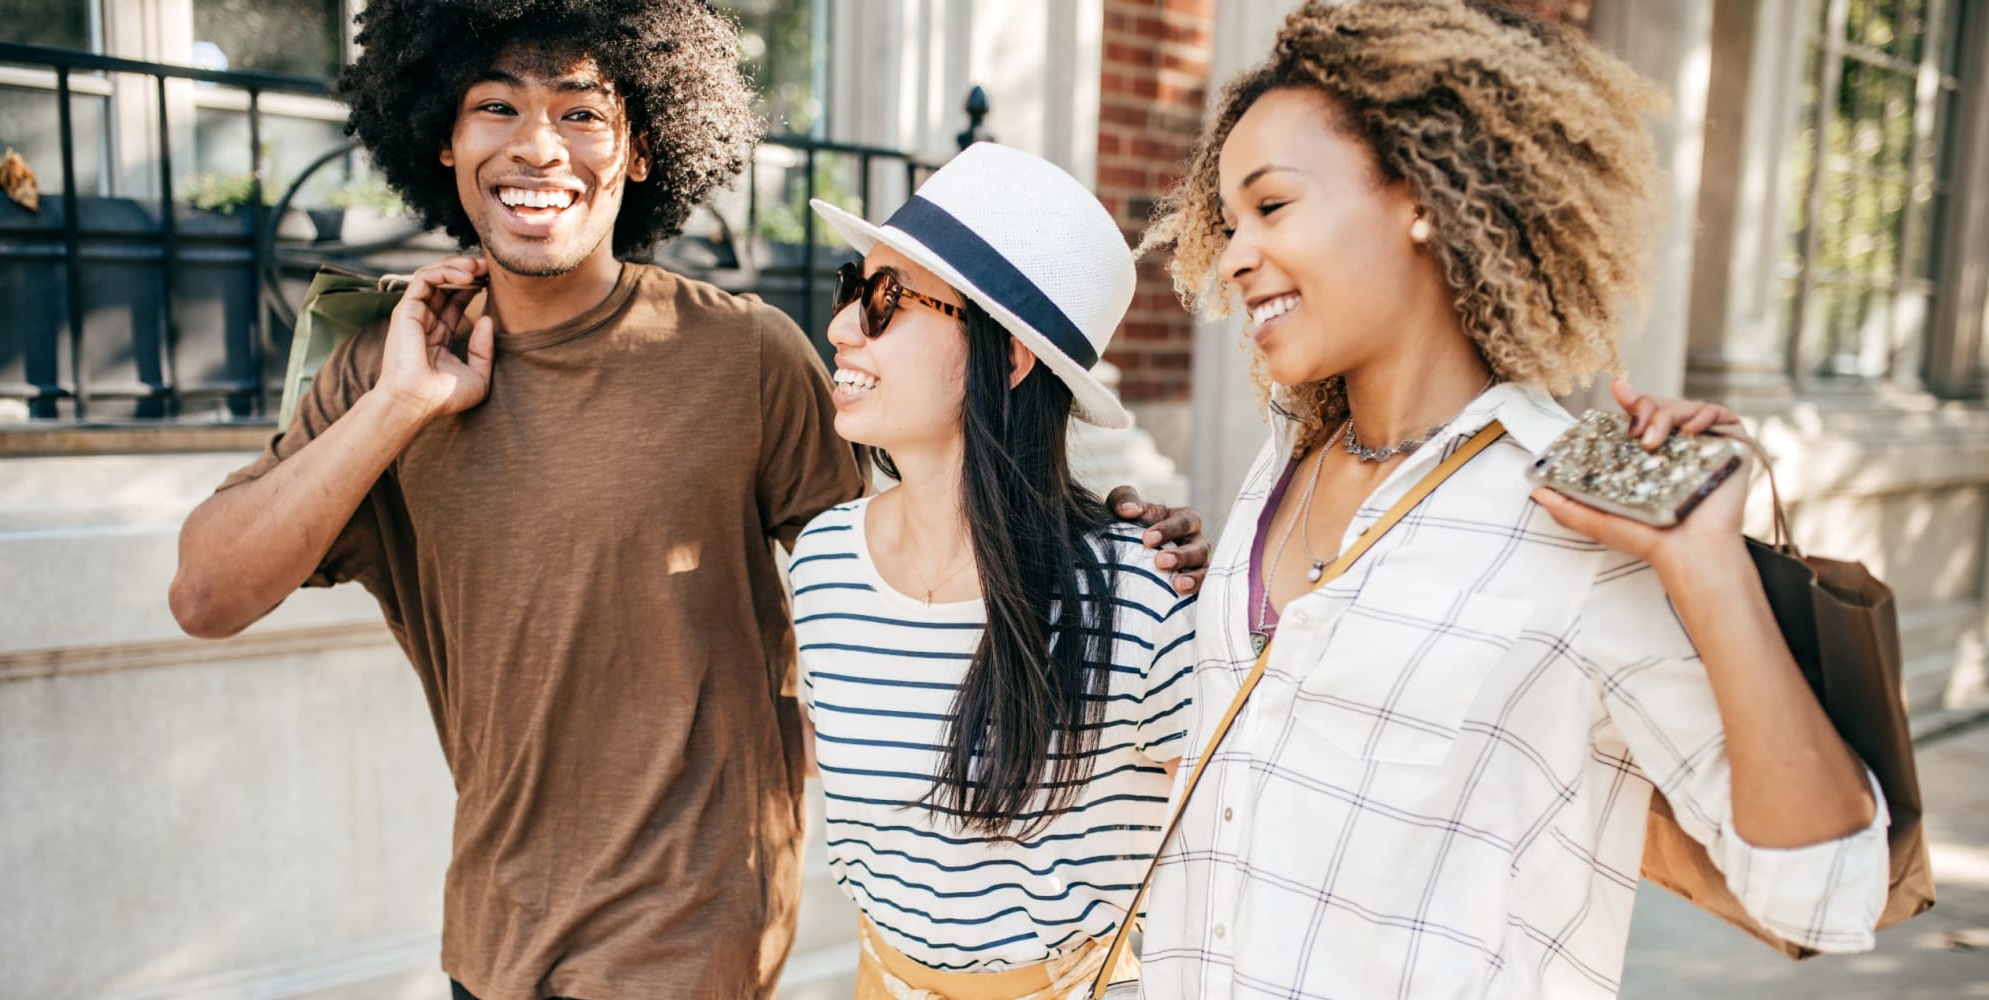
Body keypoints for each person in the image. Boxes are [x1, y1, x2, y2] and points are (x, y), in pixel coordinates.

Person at [164, 3, 1206, 997]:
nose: (537, 146)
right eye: (496, 105)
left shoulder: (744, 354)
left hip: (695, 938)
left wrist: (1098, 545)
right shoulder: (388, 361)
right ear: (441, 134)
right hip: (493, 929)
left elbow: (917, 568)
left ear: (646, 144)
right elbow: (206, 594)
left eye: (581, 110)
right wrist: (397, 403)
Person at [1134, 2, 1888, 998]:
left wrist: (1704, 563)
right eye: (1226, 224)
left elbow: (1825, 897)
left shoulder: (1577, 514)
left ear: (1424, 197)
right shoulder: (1279, 466)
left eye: (1270, 208)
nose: (1231, 255)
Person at [790, 143, 1196, 999]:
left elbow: (1223, 854)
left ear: (1009, 356)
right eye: (849, 287)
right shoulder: (824, 561)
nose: (841, 326)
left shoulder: (1143, 593)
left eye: (888, 298)